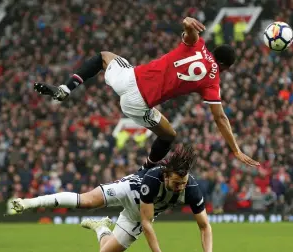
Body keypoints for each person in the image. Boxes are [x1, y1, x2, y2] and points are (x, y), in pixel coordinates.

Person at [34, 17, 259, 169]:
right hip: (138, 103)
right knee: (169, 136)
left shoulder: (197, 46)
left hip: (129, 77)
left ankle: (65, 89)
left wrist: (188, 23)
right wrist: (235, 150)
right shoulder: (213, 81)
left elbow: (190, 32)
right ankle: (146, 170)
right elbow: (220, 117)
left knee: (104, 56)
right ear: (225, 67)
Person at [10, 145, 221, 252]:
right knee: (87, 201)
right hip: (129, 192)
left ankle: (100, 227)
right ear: (166, 176)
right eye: (176, 182)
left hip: (137, 215)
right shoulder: (152, 180)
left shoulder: (191, 189)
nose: (180, 187)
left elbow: (204, 226)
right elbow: (148, 223)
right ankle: (29, 202)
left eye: (183, 183)